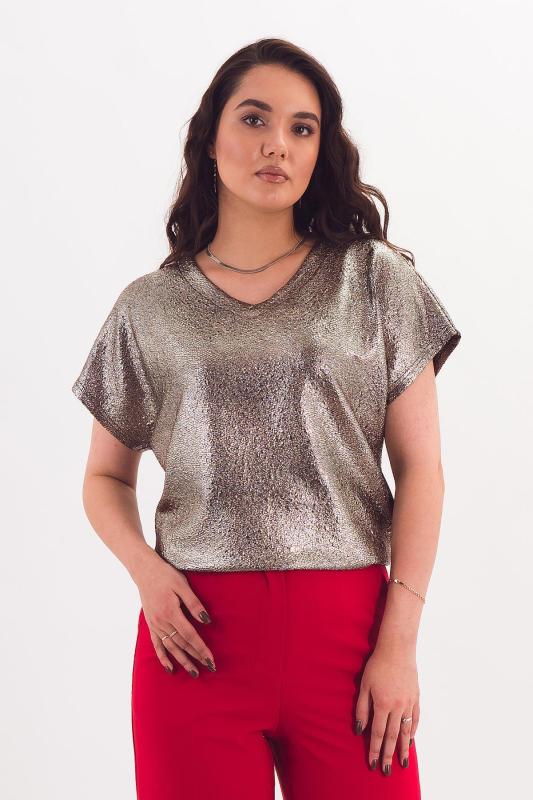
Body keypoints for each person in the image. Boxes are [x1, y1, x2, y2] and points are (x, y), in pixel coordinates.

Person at [72, 37, 461, 800]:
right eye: (253, 119)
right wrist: (147, 573)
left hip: (350, 640)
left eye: (300, 127)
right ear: (209, 138)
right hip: (194, 643)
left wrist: (399, 642)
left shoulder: (374, 280)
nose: (276, 143)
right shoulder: (149, 308)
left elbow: (421, 470)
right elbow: (103, 477)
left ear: (319, 150)